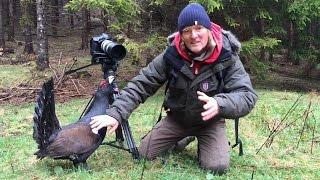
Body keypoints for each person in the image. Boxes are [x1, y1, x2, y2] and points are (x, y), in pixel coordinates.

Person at [90, 3, 258, 175]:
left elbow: (246, 95)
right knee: (144, 153)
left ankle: (205, 141)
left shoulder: (227, 55)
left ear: (208, 29)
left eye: (199, 28)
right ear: (181, 34)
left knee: (216, 167)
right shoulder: (171, 55)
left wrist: (219, 103)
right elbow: (141, 84)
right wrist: (115, 114)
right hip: (177, 119)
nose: (194, 35)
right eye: (187, 31)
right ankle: (185, 136)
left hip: (210, 123)